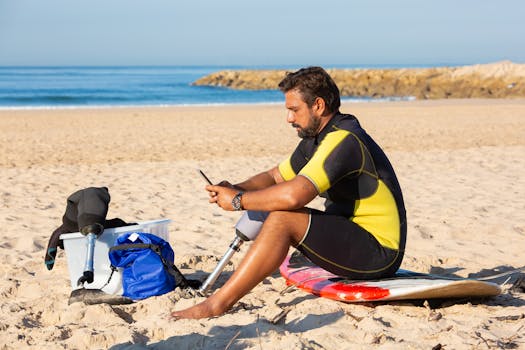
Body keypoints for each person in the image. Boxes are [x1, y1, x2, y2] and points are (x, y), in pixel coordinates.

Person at [171, 66, 406, 319]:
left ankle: (215, 305)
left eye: (294, 110)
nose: (289, 118)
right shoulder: (317, 138)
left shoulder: (345, 140)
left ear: (318, 105)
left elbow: (296, 195)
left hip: (380, 252)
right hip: (353, 234)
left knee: (284, 217)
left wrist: (239, 201)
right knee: (277, 205)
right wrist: (236, 188)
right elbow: (275, 177)